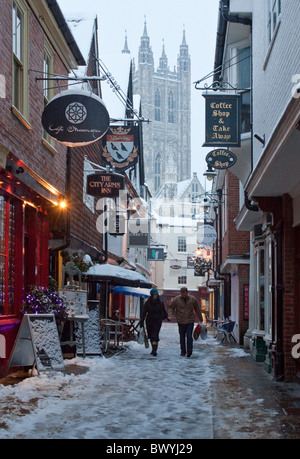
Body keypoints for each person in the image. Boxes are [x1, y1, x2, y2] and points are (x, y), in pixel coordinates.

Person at [168, 287, 203, 358]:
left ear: (187, 292)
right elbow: (171, 307)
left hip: (190, 320)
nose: (184, 295)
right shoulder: (177, 299)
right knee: (182, 336)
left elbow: (197, 309)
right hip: (180, 321)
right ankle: (183, 351)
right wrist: (169, 316)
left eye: (185, 293)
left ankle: (189, 350)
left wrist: (200, 319)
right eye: (182, 293)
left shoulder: (192, 299)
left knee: (189, 336)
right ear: (180, 293)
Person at [139, 288, 168, 356]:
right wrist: (141, 322)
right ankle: (153, 349)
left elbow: (164, 312)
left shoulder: (160, 303)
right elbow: (144, 313)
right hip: (149, 320)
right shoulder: (148, 303)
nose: (156, 296)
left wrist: (163, 317)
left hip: (157, 321)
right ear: (151, 295)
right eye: (154, 295)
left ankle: (155, 350)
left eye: (156, 294)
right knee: (151, 335)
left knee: (155, 335)